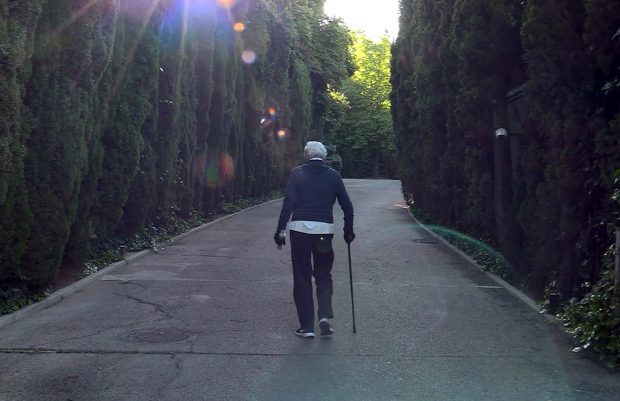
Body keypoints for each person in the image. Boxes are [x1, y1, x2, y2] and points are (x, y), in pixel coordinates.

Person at [274, 141, 355, 338]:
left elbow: (289, 202)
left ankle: (307, 327)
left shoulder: (297, 173)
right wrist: (348, 230)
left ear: (306, 156)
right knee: (323, 273)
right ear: (324, 156)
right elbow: (347, 205)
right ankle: (324, 316)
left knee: (302, 276)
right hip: (323, 232)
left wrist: (280, 230)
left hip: (300, 230)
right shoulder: (333, 176)